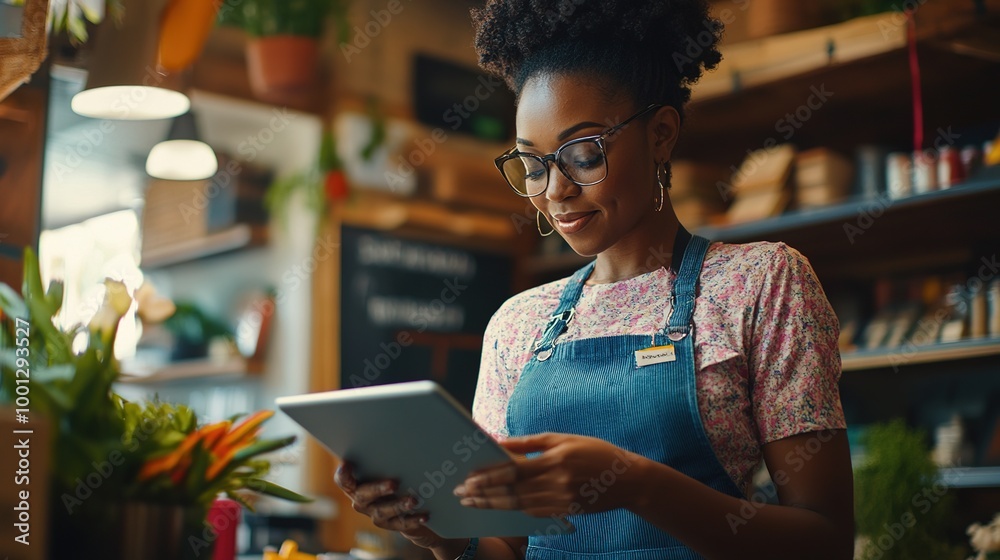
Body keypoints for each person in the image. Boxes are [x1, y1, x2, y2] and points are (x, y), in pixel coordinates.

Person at [335, 0, 855, 558]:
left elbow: (825, 541)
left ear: (660, 134)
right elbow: (506, 548)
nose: (554, 190)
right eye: (534, 165)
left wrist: (633, 483)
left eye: (582, 154)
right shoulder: (517, 325)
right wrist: (430, 531)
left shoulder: (763, 283)